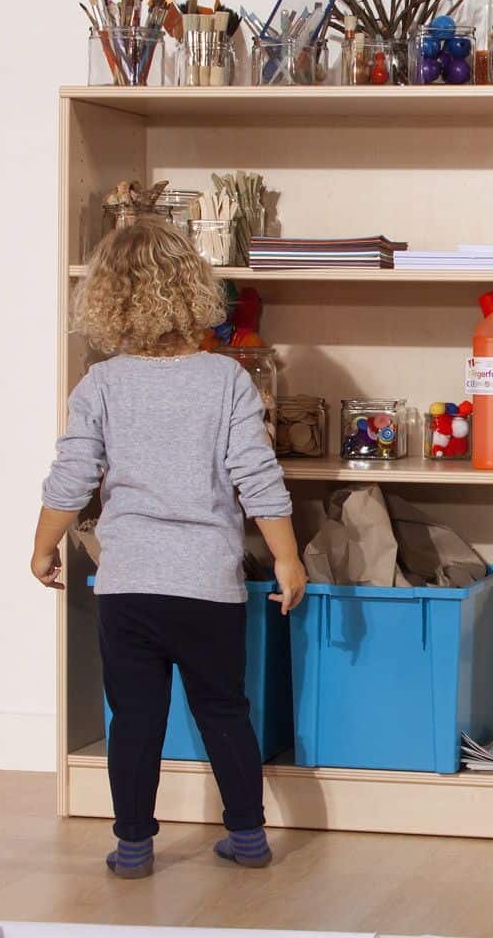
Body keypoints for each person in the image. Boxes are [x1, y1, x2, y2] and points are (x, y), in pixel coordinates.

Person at [32, 220, 306, 878]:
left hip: (128, 585)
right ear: (193, 292)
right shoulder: (226, 380)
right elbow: (257, 476)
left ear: (107, 300)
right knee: (224, 709)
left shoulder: (101, 384)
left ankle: (133, 847)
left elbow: (71, 478)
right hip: (208, 584)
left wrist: (43, 547)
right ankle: (247, 836)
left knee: (134, 717)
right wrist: (288, 558)